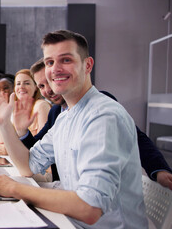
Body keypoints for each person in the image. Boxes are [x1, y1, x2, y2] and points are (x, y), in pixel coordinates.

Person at [0, 30, 149, 229]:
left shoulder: (103, 116)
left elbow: (89, 208)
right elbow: (27, 165)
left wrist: (16, 189)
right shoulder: (65, 117)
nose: (55, 69)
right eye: (50, 62)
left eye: (66, 60)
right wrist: (4, 124)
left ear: (87, 65)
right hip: (74, 225)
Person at [21, 57, 172, 188]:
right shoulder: (56, 112)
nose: (48, 90)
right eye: (41, 86)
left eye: (50, 82)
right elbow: (36, 148)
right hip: (64, 190)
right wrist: (21, 132)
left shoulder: (100, 103)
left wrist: (158, 169)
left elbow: (135, 138)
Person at [14, 69, 51, 136]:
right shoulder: (15, 109)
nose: (21, 87)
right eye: (18, 84)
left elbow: (42, 139)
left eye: (27, 83)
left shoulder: (41, 105)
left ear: (36, 87)